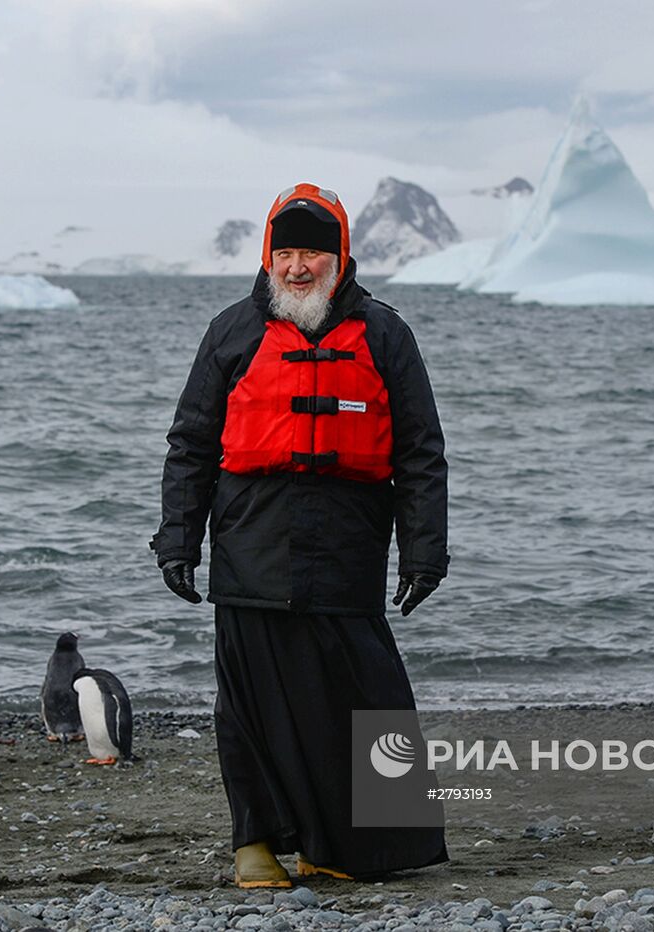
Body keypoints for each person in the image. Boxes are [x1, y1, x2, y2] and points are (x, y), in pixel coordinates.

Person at [151, 182, 450, 887]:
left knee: (365, 698)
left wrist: (425, 549)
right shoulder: (231, 331)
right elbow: (190, 444)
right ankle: (255, 847)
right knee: (251, 704)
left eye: (311, 253)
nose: (296, 267)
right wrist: (176, 539)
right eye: (283, 252)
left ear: (339, 258)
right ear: (267, 256)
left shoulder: (385, 335)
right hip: (251, 544)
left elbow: (420, 451)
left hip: (346, 548)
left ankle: (345, 847)